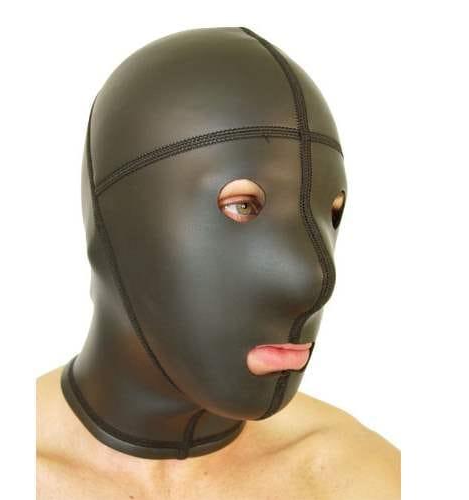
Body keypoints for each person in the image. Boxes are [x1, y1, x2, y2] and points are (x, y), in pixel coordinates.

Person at [37, 26, 400, 499]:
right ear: (116, 221)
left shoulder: (368, 478)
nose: (314, 280)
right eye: (243, 206)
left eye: (332, 215)